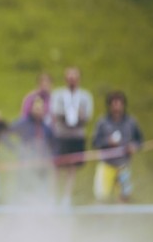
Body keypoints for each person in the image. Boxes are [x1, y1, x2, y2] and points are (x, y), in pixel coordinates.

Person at [50, 67, 93, 205]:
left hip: (76, 136)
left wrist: (80, 116)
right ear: (65, 79)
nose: (72, 81)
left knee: (72, 168)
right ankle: (53, 196)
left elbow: (87, 115)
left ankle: (66, 197)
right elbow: (55, 111)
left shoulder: (85, 96)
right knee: (57, 166)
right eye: (69, 78)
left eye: (74, 78)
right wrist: (69, 114)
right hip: (61, 134)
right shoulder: (58, 94)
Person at [91, 91, 143, 202]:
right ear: (109, 105)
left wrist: (134, 146)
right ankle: (102, 218)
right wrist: (107, 142)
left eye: (119, 103)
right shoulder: (102, 122)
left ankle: (121, 218)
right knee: (101, 197)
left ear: (123, 104)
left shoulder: (131, 122)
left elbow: (140, 141)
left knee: (124, 197)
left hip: (124, 166)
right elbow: (95, 141)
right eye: (114, 103)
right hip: (106, 165)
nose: (116, 107)